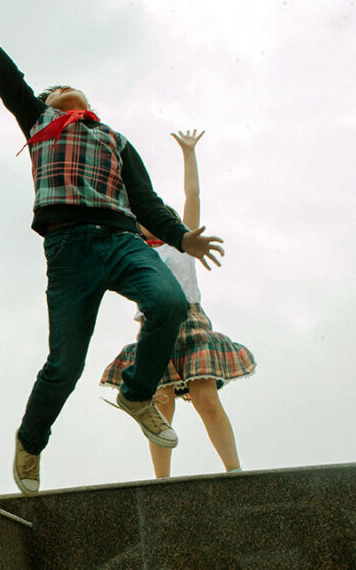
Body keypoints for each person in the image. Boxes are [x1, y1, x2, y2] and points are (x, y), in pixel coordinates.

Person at [0, 0, 225, 495]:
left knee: (170, 303)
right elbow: (5, 73)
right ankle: (31, 438)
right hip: (69, 251)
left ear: (90, 103)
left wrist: (182, 237)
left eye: (72, 86)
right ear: (45, 105)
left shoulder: (115, 137)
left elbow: (148, 203)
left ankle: (136, 396)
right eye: (56, 88)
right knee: (65, 364)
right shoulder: (39, 122)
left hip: (122, 239)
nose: (65, 89)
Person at [102, 130, 256, 478]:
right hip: (153, 329)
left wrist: (189, 153)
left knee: (205, 397)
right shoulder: (134, 254)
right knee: (159, 405)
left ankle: (234, 470)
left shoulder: (181, 245)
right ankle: (161, 482)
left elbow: (193, 195)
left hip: (190, 323)